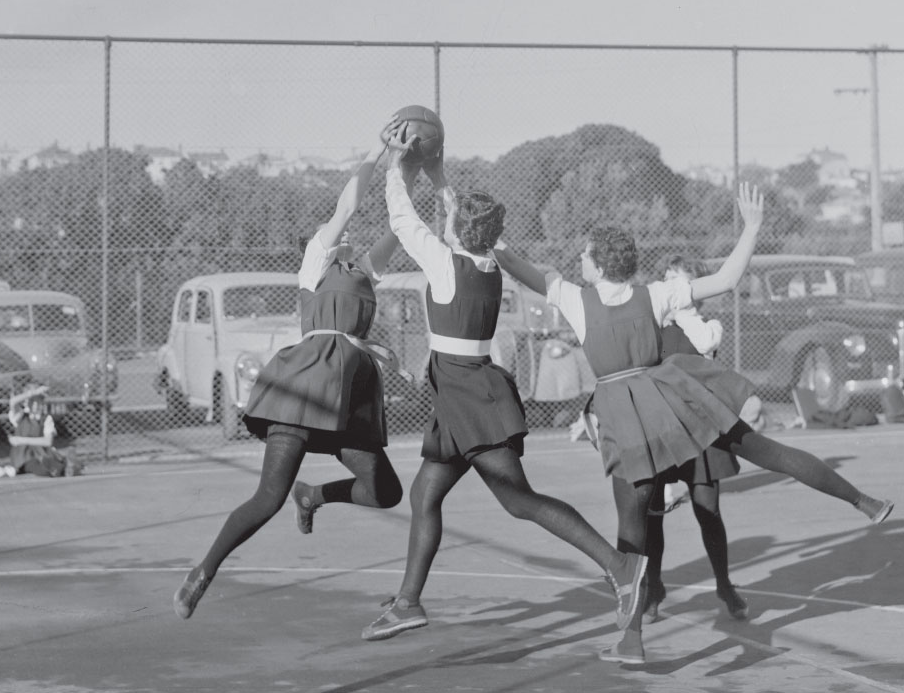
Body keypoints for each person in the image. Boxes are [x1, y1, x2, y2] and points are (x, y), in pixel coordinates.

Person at [494, 183, 893, 665]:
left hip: (627, 415)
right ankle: (864, 502)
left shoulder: (578, 300)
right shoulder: (656, 293)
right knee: (770, 452)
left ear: (598, 264)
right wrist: (752, 228)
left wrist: (489, 239)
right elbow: (726, 278)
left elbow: (521, 270)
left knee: (631, 535)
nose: (579, 259)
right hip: (675, 400)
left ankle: (632, 640)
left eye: (584, 254)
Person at [361, 122, 646, 642]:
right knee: (425, 492)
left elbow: (402, 218)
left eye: (452, 220)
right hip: (461, 390)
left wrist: (398, 164)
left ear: (456, 231)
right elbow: (462, 218)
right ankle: (408, 603)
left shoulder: (446, 265)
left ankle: (620, 566)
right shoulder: (488, 259)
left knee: (520, 500)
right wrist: (440, 174)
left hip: (468, 393)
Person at [174, 130, 408, 621]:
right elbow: (346, 207)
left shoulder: (365, 269)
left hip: (347, 393)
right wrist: (375, 153)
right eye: (336, 228)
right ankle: (203, 573)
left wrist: (406, 169)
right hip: (306, 383)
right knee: (267, 497)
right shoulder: (316, 261)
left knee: (386, 492)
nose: (343, 231)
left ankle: (315, 495)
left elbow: (402, 228)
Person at [643, 255, 751, 622]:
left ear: (696, 289)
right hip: (659, 427)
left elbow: (702, 346)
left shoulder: (705, 327)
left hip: (700, 431)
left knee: (708, 511)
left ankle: (724, 584)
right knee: (651, 513)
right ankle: (653, 589)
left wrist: (683, 311)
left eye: (679, 278)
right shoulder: (652, 321)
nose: (670, 283)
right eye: (666, 277)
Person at [0, 385, 76, 477]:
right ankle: (61, 468)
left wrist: (21, 440)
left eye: (39, 402)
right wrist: (33, 393)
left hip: (41, 453)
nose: (37, 406)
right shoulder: (21, 416)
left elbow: (47, 442)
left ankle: (66, 466)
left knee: (48, 459)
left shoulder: (46, 419)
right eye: (33, 401)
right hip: (23, 457)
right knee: (36, 466)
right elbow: (13, 401)